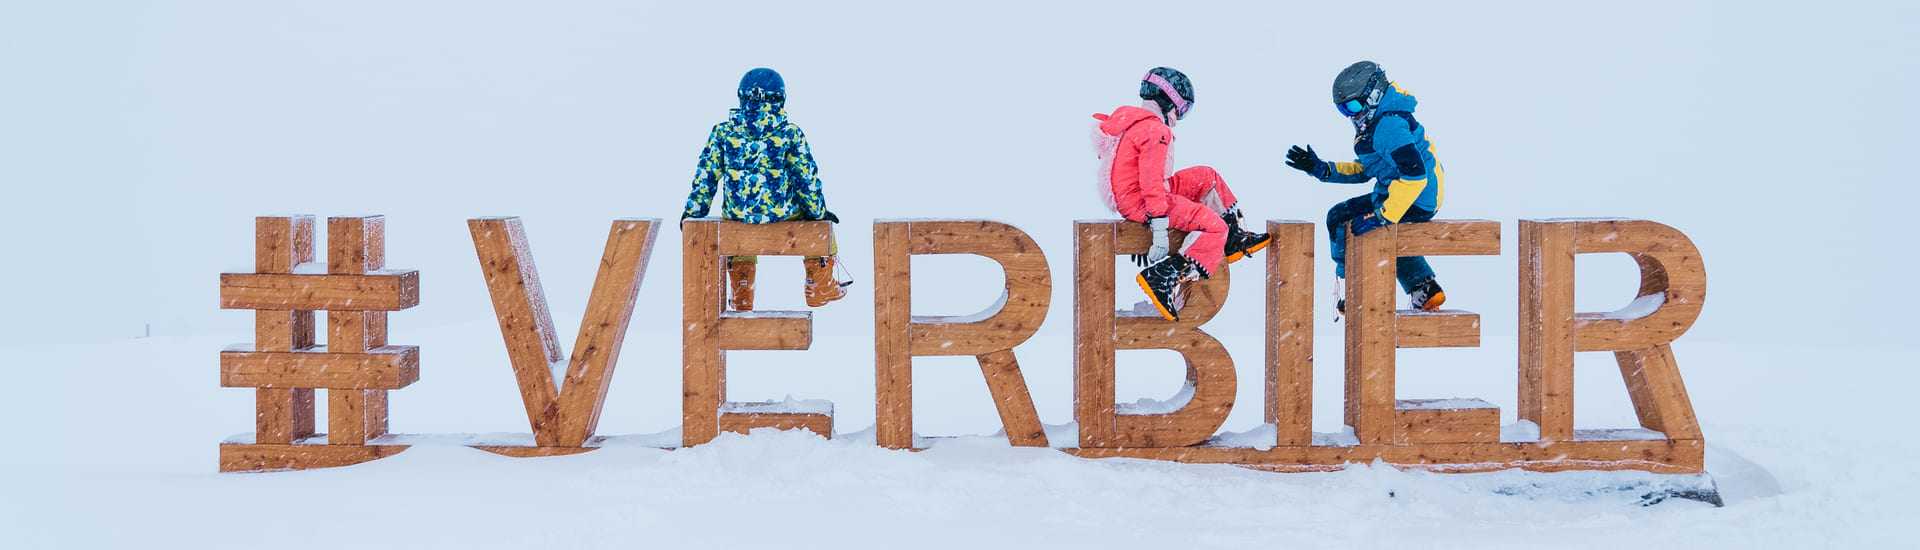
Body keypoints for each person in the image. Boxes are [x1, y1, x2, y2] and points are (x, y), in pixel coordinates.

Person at [1092, 67, 1272, 322]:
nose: (1180, 116)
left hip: (1139, 196)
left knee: (1207, 176)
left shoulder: (1138, 123)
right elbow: (1151, 183)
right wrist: (1157, 231)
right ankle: (1162, 277)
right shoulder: (1156, 131)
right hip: (1147, 201)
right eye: (1183, 109)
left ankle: (1234, 240)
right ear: (1170, 99)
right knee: (1214, 227)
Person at [1285, 61, 1447, 313]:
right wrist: (1322, 169)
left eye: (1353, 106)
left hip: (1415, 198)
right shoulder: (1378, 125)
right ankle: (1424, 287)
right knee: (1346, 217)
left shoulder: (1389, 126)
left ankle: (1356, 288)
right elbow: (1366, 170)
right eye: (1342, 110)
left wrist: (1383, 215)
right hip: (1401, 195)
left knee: (1350, 222)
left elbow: (1415, 176)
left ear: (1374, 95)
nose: (1351, 115)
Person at [682, 67, 848, 311]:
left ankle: (742, 288)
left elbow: (706, 176)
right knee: (821, 227)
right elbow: (806, 179)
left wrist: (693, 213)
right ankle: (819, 284)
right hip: (783, 215)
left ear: (741, 98)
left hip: (739, 218)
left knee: (735, 226)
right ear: (781, 99)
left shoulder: (723, 133)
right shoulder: (789, 134)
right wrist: (819, 214)